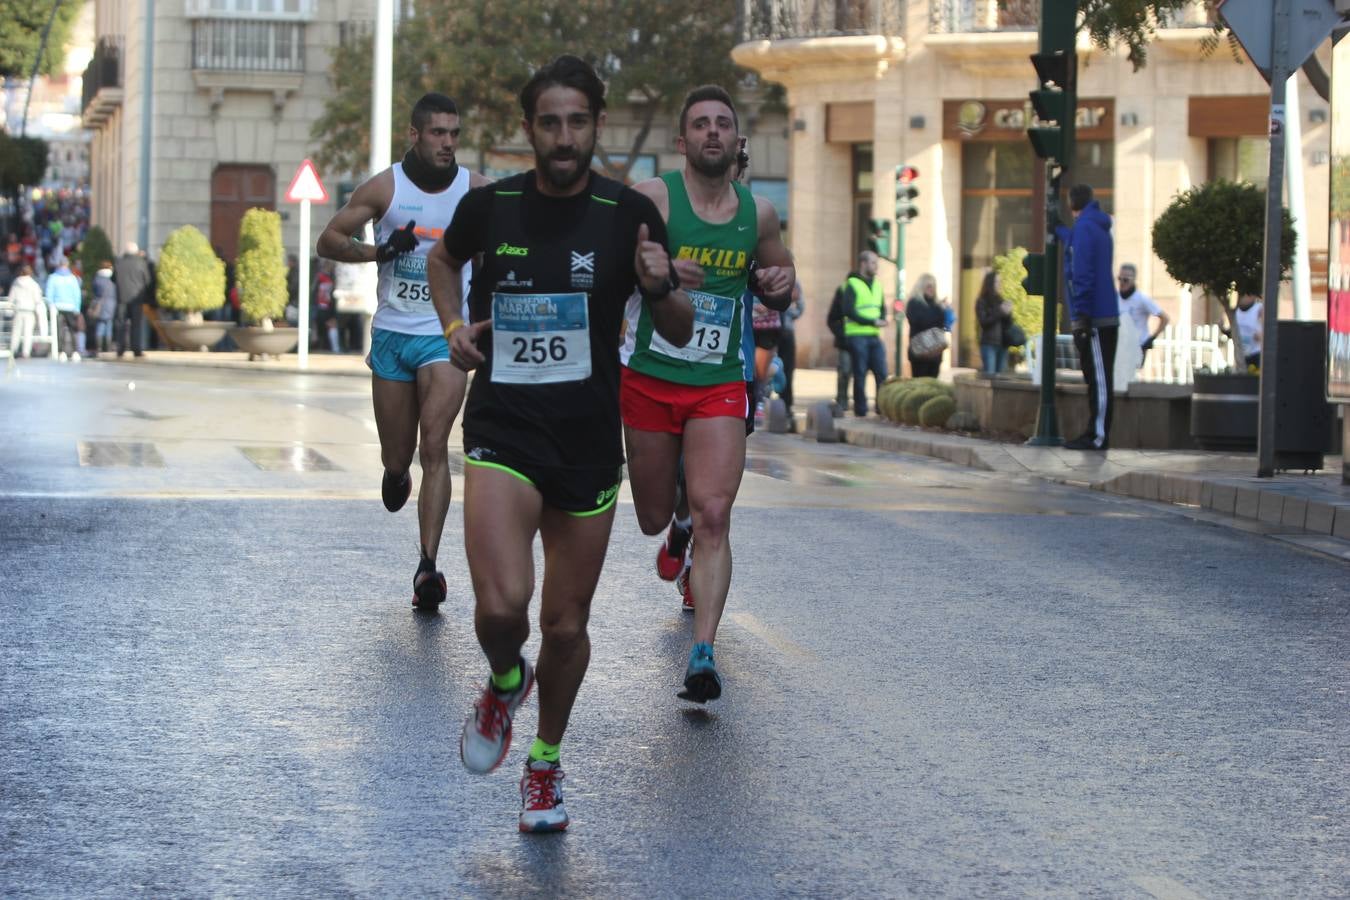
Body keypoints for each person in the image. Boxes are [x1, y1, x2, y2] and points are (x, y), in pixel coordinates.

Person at [427, 55, 693, 832]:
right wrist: (451, 327)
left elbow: (674, 329)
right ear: (529, 129)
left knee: (567, 625)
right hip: (504, 429)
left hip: (585, 444)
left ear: (596, 126)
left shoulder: (629, 215)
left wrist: (659, 285)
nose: (565, 135)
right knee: (502, 606)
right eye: (550, 121)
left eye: (578, 121)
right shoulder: (492, 205)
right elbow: (444, 261)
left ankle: (544, 763)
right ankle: (505, 679)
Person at [620, 84, 795, 702]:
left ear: (737, 140)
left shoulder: (759, 213)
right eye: (701, 124)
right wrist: (650, 271)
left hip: (718, 381)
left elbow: (780, 282)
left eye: (724, 123)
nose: (713, 132)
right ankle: (675, 528)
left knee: (715, 511)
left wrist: (777, 280)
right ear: (683, 140)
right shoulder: (652, 199)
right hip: (648, 375)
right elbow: (610, 267)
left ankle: (703, 652)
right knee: (649, 513)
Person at [317, 92, 490, 610]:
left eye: (454, 133)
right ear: (414, 135)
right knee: (401, 456)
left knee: (435, 447)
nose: (448, 142)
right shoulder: (386, 188)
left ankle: (427, 567)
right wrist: (378, 252)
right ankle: (395, 475)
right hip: (393, 335)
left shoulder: (475, 191)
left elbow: (510, 243)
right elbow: (329, 239)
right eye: (437, 132)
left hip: (446, 335)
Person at [1060, 183, 1117, 451]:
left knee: (1098, 380)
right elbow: (1077, 246)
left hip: (1093, 316)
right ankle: (1096, 432)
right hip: (1102, 314)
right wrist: (1060, 232)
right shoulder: (1095, 226)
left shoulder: (1084, 228)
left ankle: (1097, 435)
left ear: (1072, 205)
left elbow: (1082, 272)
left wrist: (1081, 314)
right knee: (1099, 378)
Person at [837, 250, 887, 415]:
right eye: (873, 263)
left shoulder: (878, 285)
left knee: (882, 372)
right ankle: (861, 409)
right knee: (860, 373)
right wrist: (872, 321)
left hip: (874, 335)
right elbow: (848, 311)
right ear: (863, 264)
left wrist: (883, 318)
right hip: (856, 335)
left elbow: (882, 308)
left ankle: (881, 407)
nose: (876, 266)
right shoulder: (852, 284)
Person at [1116, 263, 1168, 365]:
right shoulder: (1115, 298)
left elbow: (1165, 318)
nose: (1122, 283)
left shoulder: (1141, 299)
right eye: (1119, 279)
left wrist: (1152, 338)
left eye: (1125, 280)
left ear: (1133, 279)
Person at [113, 242, 153, 358]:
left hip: (122, 298)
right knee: (136, 325)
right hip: (137, 299)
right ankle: (136, 349)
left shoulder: (119, 262)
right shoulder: (141, 263)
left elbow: (113, 278)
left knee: (121, 324)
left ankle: (120, 349)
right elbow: (147, 280)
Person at [905, 273, 946, 378]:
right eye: (929, 286)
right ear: (921, 287)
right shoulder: (914, 303)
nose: (932, 289)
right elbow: (920, 321)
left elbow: (942, 324)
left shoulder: (937, 305)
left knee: (932, 385)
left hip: (935, 353)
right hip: (920, 352)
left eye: (933, 286)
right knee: (920, 384)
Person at [975, 270, 1014, 374]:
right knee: (990, 377)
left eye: (1000, 281)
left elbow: (1008, 324)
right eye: (997, 282)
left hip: (1003, 344)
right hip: (989, 344)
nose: (999, 284)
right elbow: (983, 322)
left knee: (1001, 379)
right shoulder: (982, 301)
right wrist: (1000, 311)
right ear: (990, 283)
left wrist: (1008, 313)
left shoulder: (1000, 300)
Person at [45, 257, 82, 362]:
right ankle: (75, 352)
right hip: (71, 307)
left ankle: (61, 352)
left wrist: (50, 306)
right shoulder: (72, 278)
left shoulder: (53, 278)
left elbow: (49, 293)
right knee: (72, 330)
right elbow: (77, 294)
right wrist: (77, 308)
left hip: (57, 307)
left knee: (59, 331)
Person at [778, 279, 803, 420]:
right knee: (766, 369)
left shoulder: (794, 283)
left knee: (788, 369)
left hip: (787, 331)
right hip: (765, 329)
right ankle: (762, 402)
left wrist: (787, 309)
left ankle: (786, 404)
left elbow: (800, 306)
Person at [8, 264, 43, 358]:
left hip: (18, 309)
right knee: (28, 333)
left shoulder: (16, 282)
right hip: (29, 310)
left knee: (16, 332)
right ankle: (26, 352)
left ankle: (13, 350)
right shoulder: (33, 284)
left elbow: (11, 298)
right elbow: (37, 299)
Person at [827, 282, 851, 412]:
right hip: (846, 342)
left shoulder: (875, 286)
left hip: (866, 338)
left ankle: (860, 404)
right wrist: (842, 335)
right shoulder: (843, 289)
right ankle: (842, 400)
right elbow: (832, 319)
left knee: (860, 373)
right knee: (845, 371)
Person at [91, 259, 118, 355]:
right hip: (112, 303)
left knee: (100, 325)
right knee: (109, 326)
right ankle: (108, 347)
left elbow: (94, 290)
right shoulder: (113, 278)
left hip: (100, 304)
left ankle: (99, 347)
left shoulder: (97, 278)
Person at [1233, 293, 1262, 371]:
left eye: (1247, 294)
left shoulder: (1259, 309)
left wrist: (1260, 336)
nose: (1244, 298)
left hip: (1255, 353)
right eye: (1242, 295)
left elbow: (1267, 332)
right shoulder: (1235, 311)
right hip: (1241, 353)